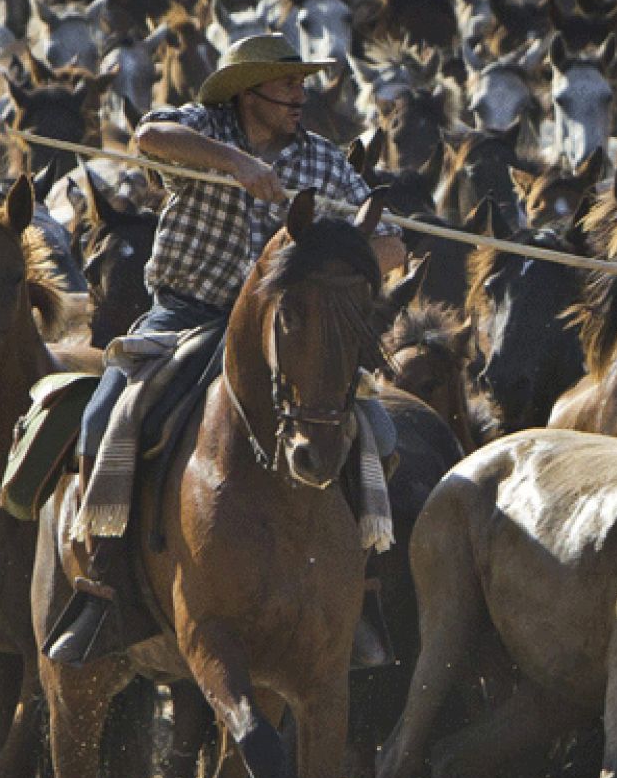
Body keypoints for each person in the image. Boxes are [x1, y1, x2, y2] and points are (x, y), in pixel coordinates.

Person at [45, 33, 406, 666]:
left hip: (280, 330)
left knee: (377, 431)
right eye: (287, 85)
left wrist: (329, 260)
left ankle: (361, 591)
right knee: (107, 413)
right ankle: (104, 585)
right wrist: (235, 163)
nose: (300, 96)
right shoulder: (202, 128)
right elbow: (147, 138)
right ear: (249, 92)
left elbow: (394, 247)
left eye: (301, 85)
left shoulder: (321, 161)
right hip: (186, 313)